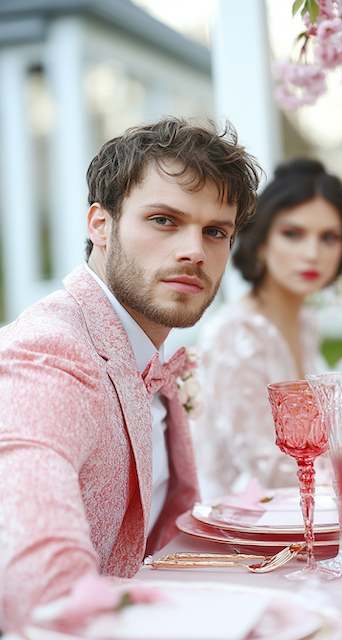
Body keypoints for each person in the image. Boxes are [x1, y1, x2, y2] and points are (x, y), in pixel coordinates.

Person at [0, 117, 260, 630]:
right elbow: (42, 581)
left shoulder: (146, 351)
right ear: (100, 224)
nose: (194, 251)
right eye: (164, 220)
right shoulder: (48, 353)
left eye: (215, 231)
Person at [194, 159, 342, 497]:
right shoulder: (235, 333)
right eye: (293, 234)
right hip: (240, 526)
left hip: (301, 517)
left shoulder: (306, 325)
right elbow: (267, 468)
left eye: (329, 237)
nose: (312, 253)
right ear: (261, 240)